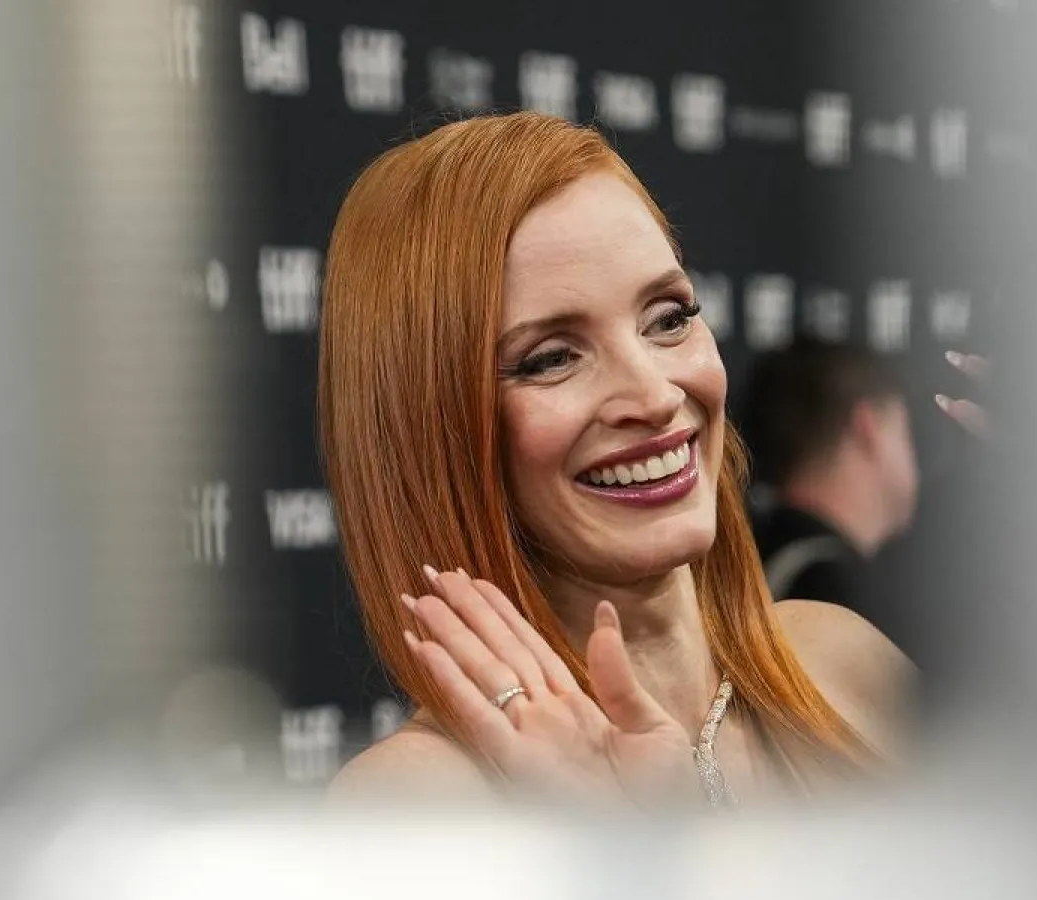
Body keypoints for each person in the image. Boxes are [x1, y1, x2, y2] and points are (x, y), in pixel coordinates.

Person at [318, 112, 912, 808]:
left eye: (668, 317)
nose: (656, 396)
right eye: (550, 358)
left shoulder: (846, 664)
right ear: (432, 422)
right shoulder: (417, 801)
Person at [739, 340, 920, 614]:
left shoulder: (745, 561)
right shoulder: (837, 594)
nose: (913, 462)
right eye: (904, 433)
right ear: (867, 427)